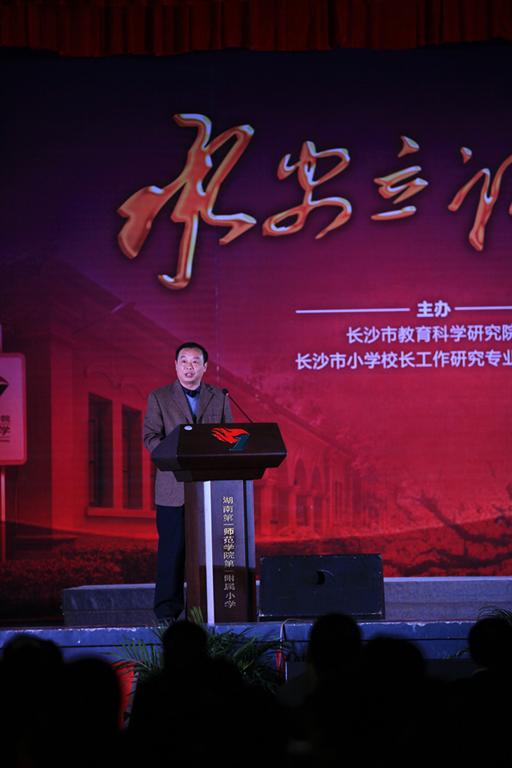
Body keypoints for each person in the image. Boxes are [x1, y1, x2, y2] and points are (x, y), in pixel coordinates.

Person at [143, 342, 232, 621]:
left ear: (205, 367)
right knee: (172, 551)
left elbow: (230, 438)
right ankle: (166, 613)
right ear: (175, 365)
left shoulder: (219, 397)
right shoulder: (159, 397)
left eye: (195, 361)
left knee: (209, 552)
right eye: (184, 361)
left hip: (209, 488)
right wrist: (175, 456)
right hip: (173, 488)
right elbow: (150, 437)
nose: (189, 367)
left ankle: (208, 608)